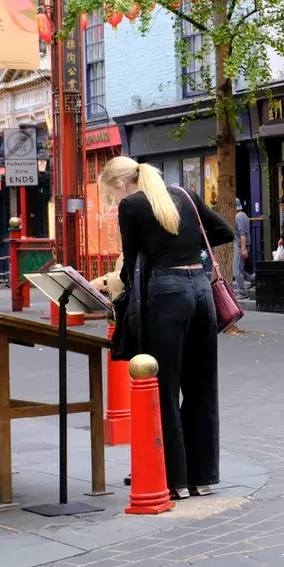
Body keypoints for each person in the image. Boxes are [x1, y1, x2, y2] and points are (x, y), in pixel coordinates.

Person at [100, 156, 234, 500]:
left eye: (111, 194)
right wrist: (190, 251)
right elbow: (223, 231)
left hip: (166, 296)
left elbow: (130, 265)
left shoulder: (131, 206)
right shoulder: (183, 194)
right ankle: (201, 477)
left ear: (119, 185)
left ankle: (174, 479)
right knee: (202, 386)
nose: (114, 200)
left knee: (165, 386)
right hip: (201, 292)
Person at [233, 198, 251, 298]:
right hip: (243, 245)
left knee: (236, 270)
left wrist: (243, 248)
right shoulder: (244, 215)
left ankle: (242, 293)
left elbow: (242, 233)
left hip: (240, 245)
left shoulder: (238, 217)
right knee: (238, 268)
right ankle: (254, 279)